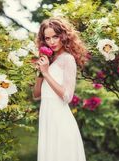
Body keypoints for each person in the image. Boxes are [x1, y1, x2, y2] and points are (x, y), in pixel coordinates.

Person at [33, 17, 87, 161]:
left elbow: (67, 97)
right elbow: (36, 95)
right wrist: (40, 72)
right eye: (48, 38)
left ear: (63, 36)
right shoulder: (49, 60)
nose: (52, 42)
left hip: (60, 119)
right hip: (47, 117)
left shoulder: (67, 59)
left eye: (55, 37)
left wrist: (46, 73)